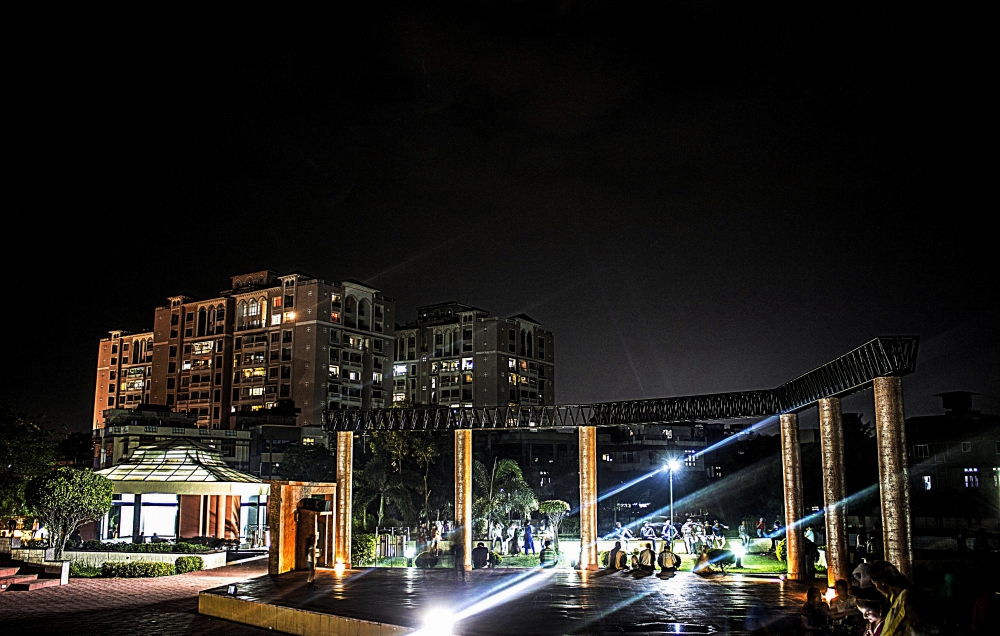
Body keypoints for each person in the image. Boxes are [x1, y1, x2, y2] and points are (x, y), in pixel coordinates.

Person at [868, 561, 917, 636]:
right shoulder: (893, 598)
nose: (876, 588)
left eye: (875, 583)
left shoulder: (906, 597)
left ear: (882, 581)